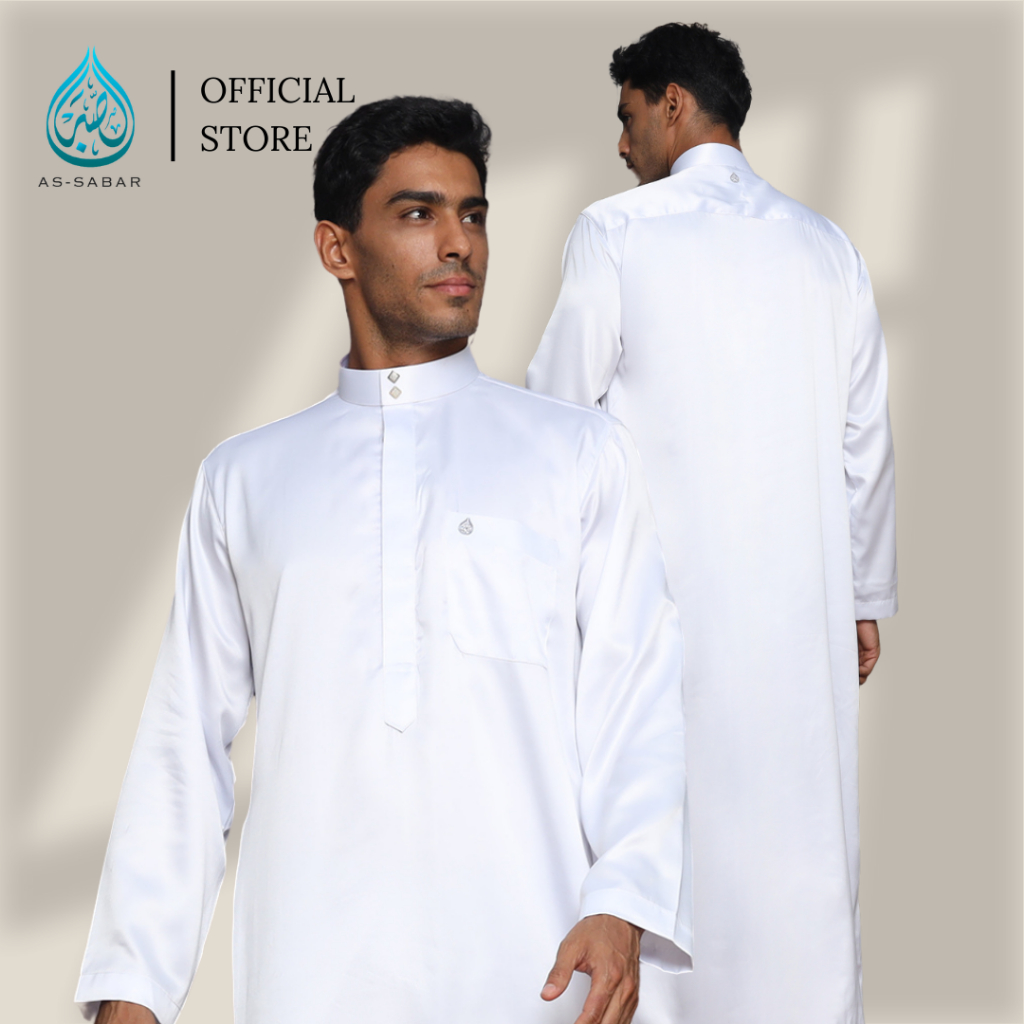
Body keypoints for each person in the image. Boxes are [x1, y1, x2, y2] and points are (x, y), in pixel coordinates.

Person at [74, 97, 692, 1024]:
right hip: (310, 978)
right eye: (417, 213)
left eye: (473, 213)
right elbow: (183, 744)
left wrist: (624, 901)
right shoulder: (246, 479)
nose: (460, 243)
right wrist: (134, 987)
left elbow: (637, 696)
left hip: (535, 975)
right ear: (338, 249)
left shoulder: (577, 454)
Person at [527, 23, 897, 1024]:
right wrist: (862, 595)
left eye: (627, 116)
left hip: (661, 613)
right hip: (802, 620)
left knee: (668, 837)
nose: (621, 143)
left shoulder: (615, 232)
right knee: (801, 849)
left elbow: (555, 421)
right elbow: (864, 438)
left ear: (673, 103)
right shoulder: (829, 248)